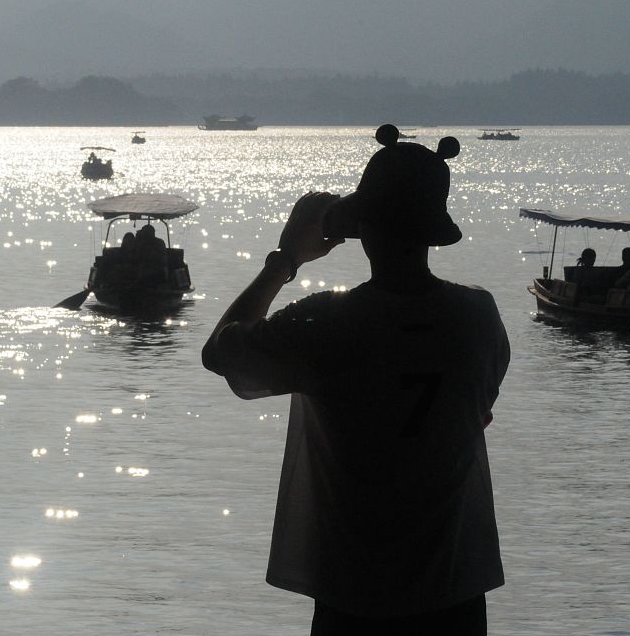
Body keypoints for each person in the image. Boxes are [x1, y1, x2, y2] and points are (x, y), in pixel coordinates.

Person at [202, 124, 510, 635]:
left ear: (362, 225)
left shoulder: (326, 322)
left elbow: (222, 351)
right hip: (454, 590)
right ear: (433, 229)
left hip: (354, 592)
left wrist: (286, 260)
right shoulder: (478, 316)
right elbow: (481, 408)